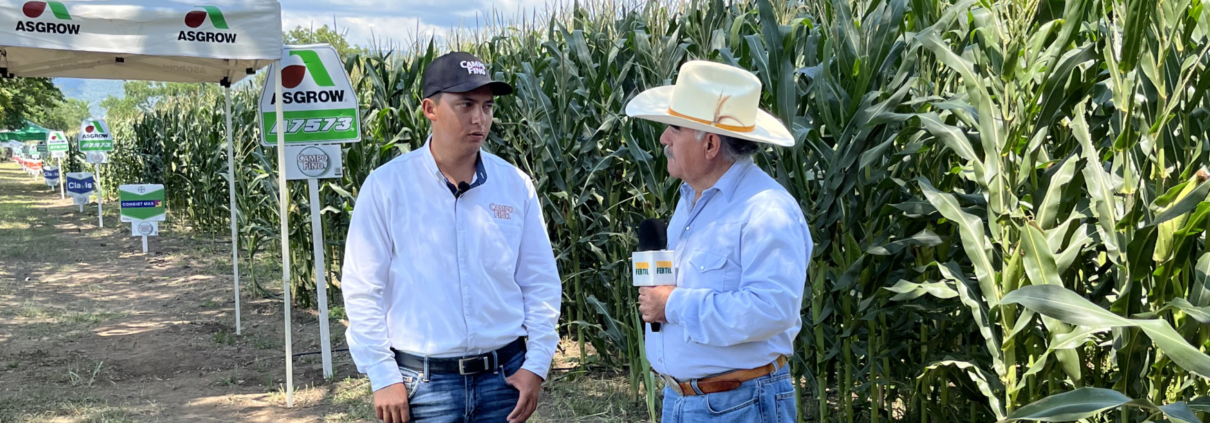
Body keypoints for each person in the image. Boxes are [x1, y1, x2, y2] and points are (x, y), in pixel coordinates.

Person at [341, 51, 561, 423]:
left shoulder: (514, 186)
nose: (479, 118)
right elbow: (363, 288)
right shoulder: (387, 187)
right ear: (430, 108)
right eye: (465, 104)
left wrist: (536, 364)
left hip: (503, 380)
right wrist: (382, 374)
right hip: (421, 387)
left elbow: (539, 282)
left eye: (487, 106)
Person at [625, 60, 813, 423]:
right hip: (683, 401)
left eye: (674, 129)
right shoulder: (691, 199)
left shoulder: (766, 211)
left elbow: (772, 309)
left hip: (738, 406)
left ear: (710, 143)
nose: (663, 139)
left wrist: (673, 304)